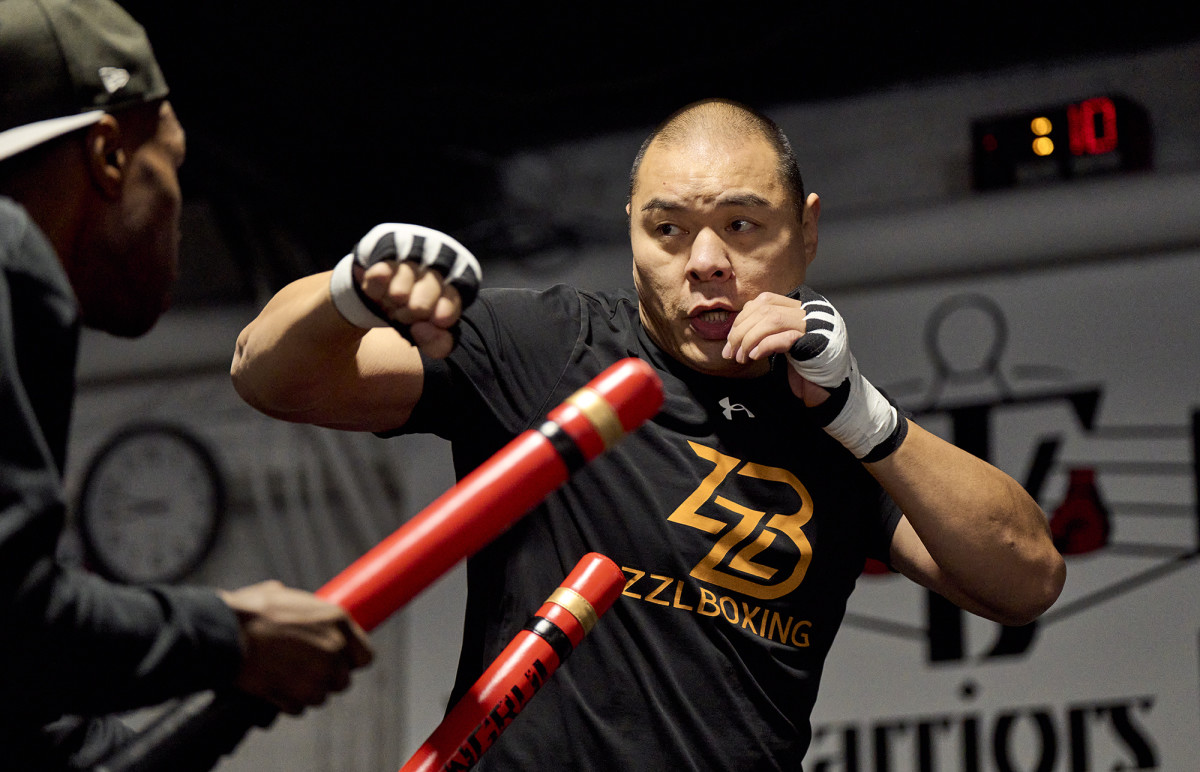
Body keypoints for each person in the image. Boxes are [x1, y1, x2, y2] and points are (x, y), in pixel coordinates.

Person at [230, 98, 1066, 770]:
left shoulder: (834, 423)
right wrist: (351, 290)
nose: (705, 260)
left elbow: (1026, 580)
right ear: (632, 230)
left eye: (743, 225)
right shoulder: (550, 348)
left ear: (805, 231)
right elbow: (269, 375)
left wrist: (863, 415)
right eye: (667, 229)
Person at [0, 1, 373, 768]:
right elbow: (9, 625)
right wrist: (233, 637)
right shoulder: (10, 256)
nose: (178, 208)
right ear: (107, 153)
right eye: (171, 161)